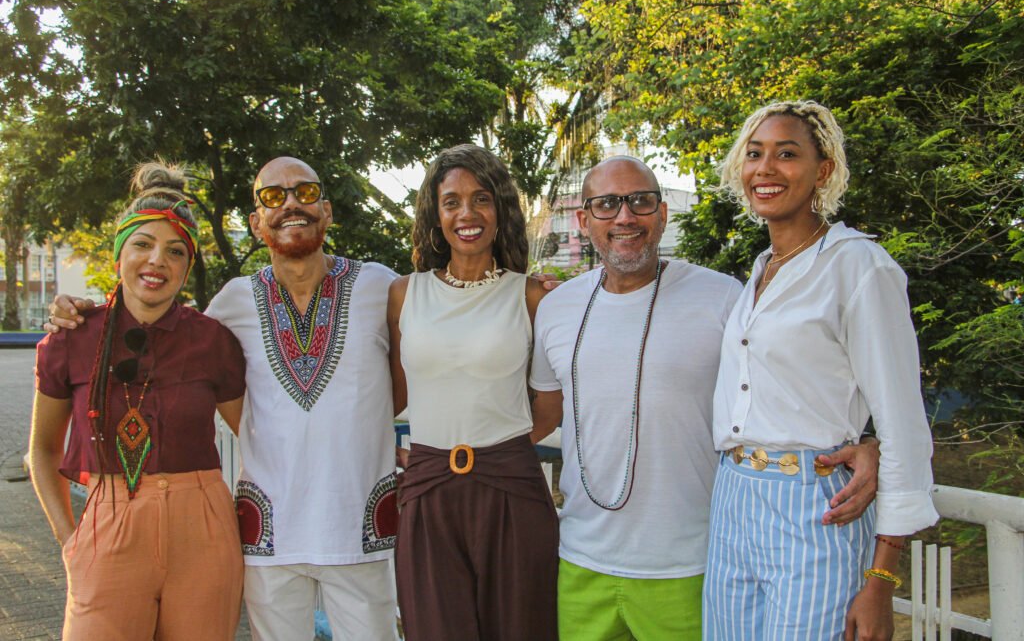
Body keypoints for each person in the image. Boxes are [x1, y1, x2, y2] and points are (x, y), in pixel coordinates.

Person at [46, 156, 400, 641]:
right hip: (269, 532)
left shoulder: (382, 286)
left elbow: (418, 370)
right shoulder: (233, 300)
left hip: (359, 525)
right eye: (273, 196)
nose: (291, 204)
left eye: (305, 192)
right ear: (256, 222)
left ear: (327, 209)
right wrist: (83, 314)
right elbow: (165, 332)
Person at [529, 155, 880, 640]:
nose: (625, 216)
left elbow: (795, 378)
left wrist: (869, 439)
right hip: (580, 562)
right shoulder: (555, 307)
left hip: (695, 565)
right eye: (607, 204)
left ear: (662, 214)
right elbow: (542, 414)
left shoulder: (723, 297)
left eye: (640, 201)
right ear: (584, 221)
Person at [704, 101, 939, 641]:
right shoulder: (762, 270)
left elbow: (902, 422)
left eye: (787, 155)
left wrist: (881, 579)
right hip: (733, 501)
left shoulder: (859, 266)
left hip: (816, 505)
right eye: (754, 154)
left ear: (823, 170)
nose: (765, 169)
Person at [30, 162, 246, 640]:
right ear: (119, 255)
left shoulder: (213, 341)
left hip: (204, 531)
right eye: (143, 245)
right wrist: (70, 541)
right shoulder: (70, 338)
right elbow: (42, 451)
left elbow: (257, 438)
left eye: (175, 251)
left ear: (187, 267)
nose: (157, 261)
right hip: (106, 528)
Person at [386, 144, 558, 641]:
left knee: (521, 629)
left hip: (512, 488)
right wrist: (389, 450)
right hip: (428, 491)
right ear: (435, 215)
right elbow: (391, 397)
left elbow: (549, 408)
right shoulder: (404, 295)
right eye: (452, 202)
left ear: (500, 211)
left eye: (481, 199)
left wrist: (497, 452)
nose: (467, 213)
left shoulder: (531, 296)